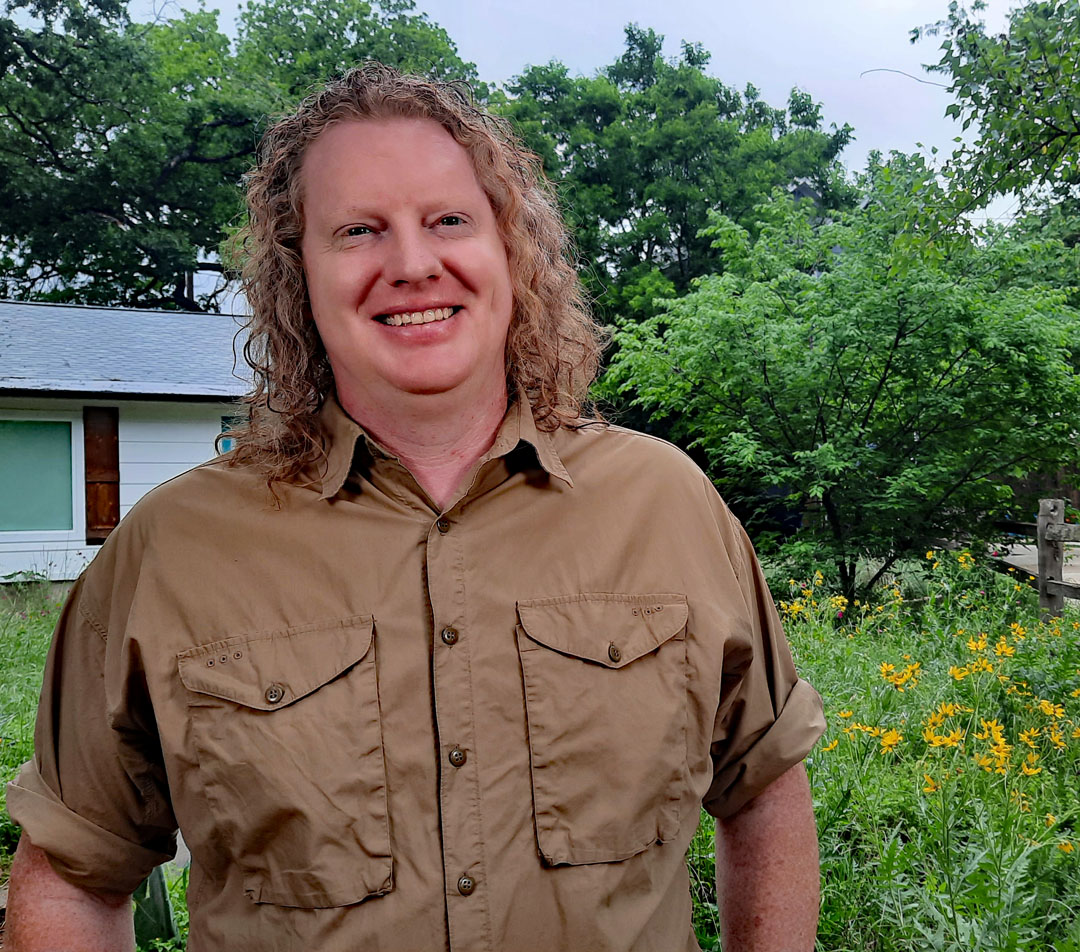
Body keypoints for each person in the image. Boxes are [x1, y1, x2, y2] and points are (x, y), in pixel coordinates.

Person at [6, 63, 825, 952]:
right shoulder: (170, 550)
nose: (411, 264)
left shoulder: (667, 505)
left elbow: (765, 790)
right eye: (358, 230)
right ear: (297, 272)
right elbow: (72, 878)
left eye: (448, 221)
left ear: (509, 247)